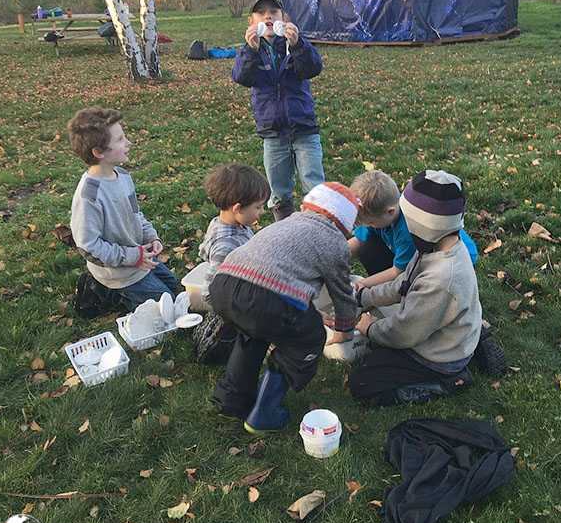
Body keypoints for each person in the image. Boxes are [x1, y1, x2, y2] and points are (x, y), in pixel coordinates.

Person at [208, 182, 360, 433]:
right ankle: (264, 413)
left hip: (224, 284)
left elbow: (285, 268)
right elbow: (343, 295)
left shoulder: (288, 222)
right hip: (265, 298)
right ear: (343, 224)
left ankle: (231, 400)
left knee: (253, 332)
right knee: (309, 339)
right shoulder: (335, 242)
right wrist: (345, 330)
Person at [348, 170, 482, 406]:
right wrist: (364, 297)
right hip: (437, 330)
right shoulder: (433, 246)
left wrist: (370, 328)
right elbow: (403, 283)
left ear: (425, 224)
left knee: (362, 383)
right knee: (375, 355)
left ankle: (449, 381)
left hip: (440, 356)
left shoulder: (441, 278)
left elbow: (404, 331)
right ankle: (477, 335)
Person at [68, 107, 178, 310]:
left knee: (178, 292)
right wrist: (132, 257)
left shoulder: (123, 176)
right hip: (120, 273)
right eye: (120, 140)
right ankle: (109, 293)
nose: (129, 143)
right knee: (166, 308)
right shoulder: (89, 196)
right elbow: (88, 246)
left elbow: (136, 214)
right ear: (98, 152)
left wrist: (151, 238)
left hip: (140, 260)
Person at [232, 0, 325, 221]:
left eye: (273, 12)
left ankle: (320, 227)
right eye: (261, 13)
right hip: (272, 132)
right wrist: (250, 51)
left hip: (304, 127)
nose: (268, 17)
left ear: (284, 18)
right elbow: (241, 77)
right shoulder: (251, 50)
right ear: (251, 22)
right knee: (279, 189)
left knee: (314, 184)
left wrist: (298, 45)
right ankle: (284, 228)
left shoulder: (295, 44)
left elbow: (313, 68)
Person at [191, 164, 270, 363]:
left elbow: (203, 249)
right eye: (258, 207)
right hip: (236, 300)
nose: (262, 212)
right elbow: (210, 292)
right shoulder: (225, 246)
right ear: (237, 208)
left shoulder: (230, 223)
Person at [348, 169, 478, 289]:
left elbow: (398, 271)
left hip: (453, 263)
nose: (369, 226)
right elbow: (358, 241)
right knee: (366, 246)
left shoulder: (409, 231)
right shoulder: (382, 213)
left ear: (390, 212)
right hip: (414, 252)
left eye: (371, 223)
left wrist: (361, 285)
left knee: (413, 285)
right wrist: (332, 255)